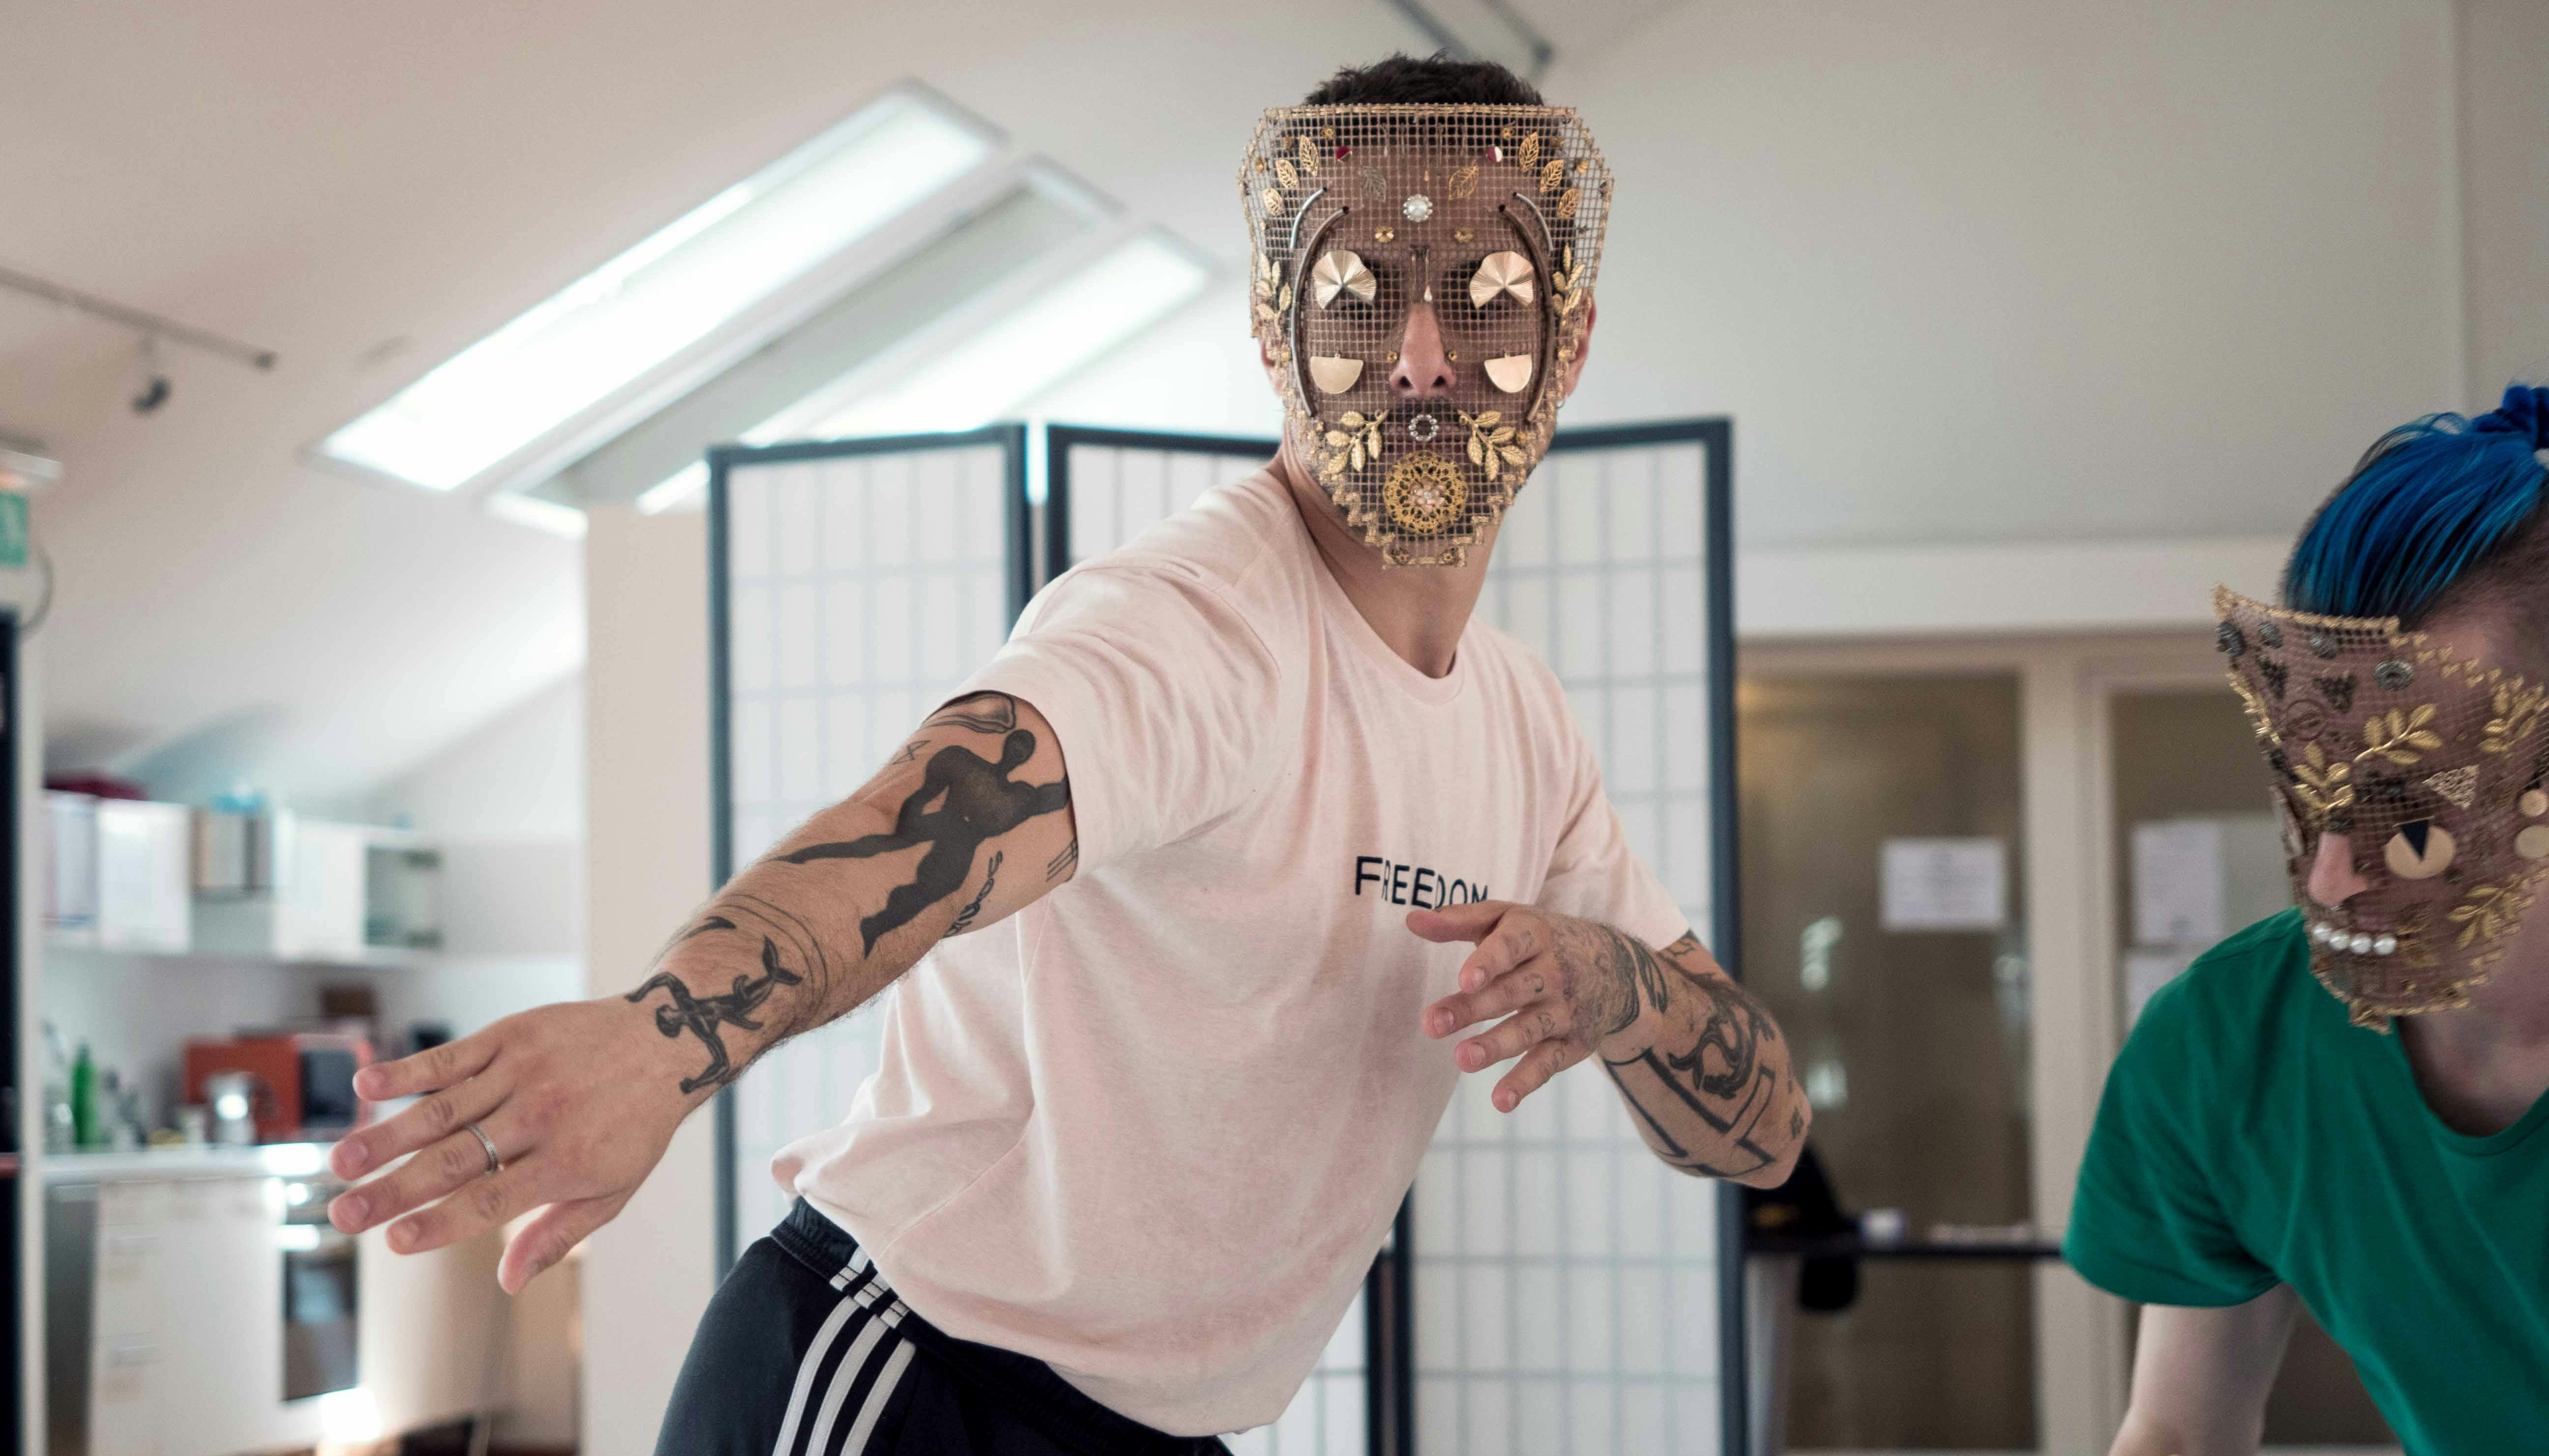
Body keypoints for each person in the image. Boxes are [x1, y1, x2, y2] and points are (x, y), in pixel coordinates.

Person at [323, 54, 1810, 1455]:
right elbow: (940, 818)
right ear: (1277, 330)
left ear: (1572, 340)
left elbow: (1762, 1133)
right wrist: (665, 1037)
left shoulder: (1525, 726)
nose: (1421, 355)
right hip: (910, 1378)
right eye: (1364, 293)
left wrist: (1616, 984)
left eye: (1483, 294)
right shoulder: (1196, 624)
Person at [2066, 382, 2549, 1456]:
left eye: (2410, 809)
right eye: (2308, 785)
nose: (2328, 876)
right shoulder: (2228, 1044)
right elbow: (2181, 1430)